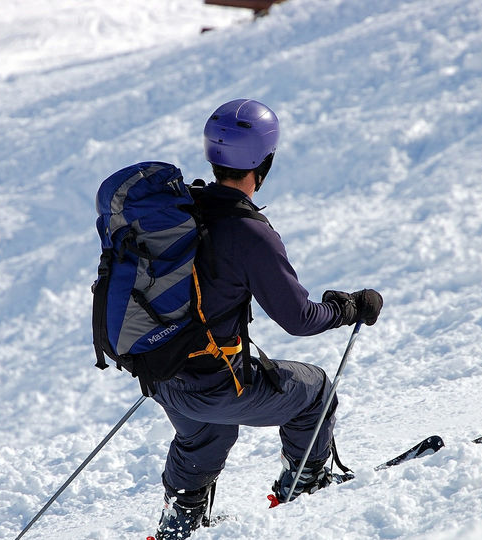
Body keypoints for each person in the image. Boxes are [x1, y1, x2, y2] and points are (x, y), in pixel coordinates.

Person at [151, 99, 383, 539]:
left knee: (207, 435)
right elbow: (298, 318)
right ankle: (306, 484)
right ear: (265, 161)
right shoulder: (248, 232)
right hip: (210, 383)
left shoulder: (182, 212)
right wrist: (348, 308)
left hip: (162, 375)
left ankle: (181, 521)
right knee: (314, 390)